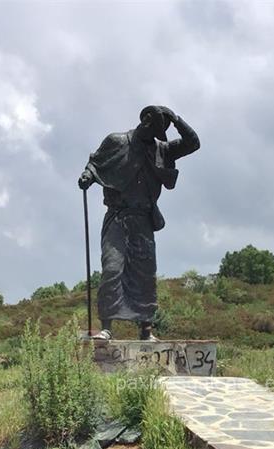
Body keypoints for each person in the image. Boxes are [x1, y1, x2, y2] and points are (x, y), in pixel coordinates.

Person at [78, 105, 200, 341]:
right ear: (145, 121)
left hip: (143, 220)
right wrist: (88, 176)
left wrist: (175, 119)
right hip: (117, 216)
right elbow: (95, 163)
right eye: (155, 129)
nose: (156, 136)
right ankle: (107, 327)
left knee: (145, 275)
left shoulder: (162, 150)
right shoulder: (117, 141)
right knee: (112, 268)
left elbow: (193, 143)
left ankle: (146, 330)